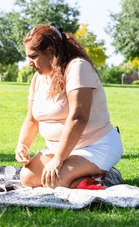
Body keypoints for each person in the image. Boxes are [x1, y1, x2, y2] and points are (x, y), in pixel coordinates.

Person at [15, 24, 123, 189]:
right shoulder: (38, 78)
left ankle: (107, 176)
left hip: (95, 146)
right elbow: (31, 119)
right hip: (58, 148)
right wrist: (22, 145)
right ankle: (84, 175)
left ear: (51, 51)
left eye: (33, 56)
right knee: (27, 178)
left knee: (56, 181)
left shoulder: (78, 67)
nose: (29, 63)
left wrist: (58, 159)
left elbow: (78, 118)